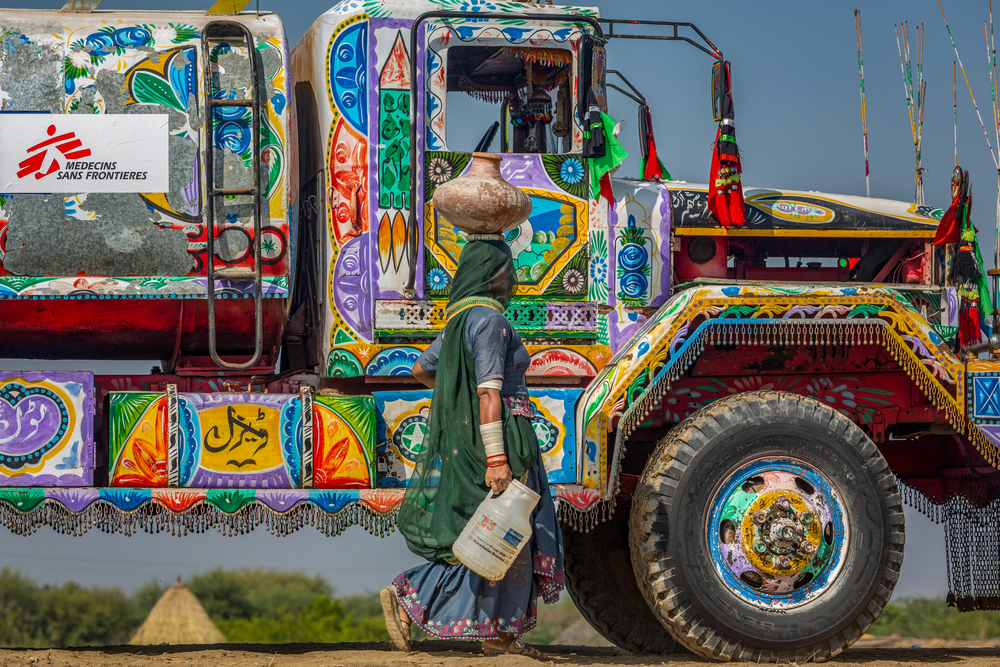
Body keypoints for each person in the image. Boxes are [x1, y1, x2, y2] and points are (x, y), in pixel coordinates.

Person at [380, 239, 563, 661]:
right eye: (505, 270)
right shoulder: (491, 321)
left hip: (474, 442)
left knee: (497, 532)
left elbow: (421, 370)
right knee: (507, 531)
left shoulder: (458, 321)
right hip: (504, 440)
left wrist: (456, 406)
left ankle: (502, 635)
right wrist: (497, 458)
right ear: (494, 274)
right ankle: (414, 593)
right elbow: (487, 392)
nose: (509, 278)